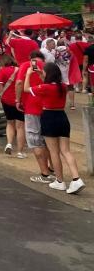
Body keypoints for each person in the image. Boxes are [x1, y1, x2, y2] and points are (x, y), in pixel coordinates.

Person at [25, 62, 84, 194]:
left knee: (54, 152)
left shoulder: (45, 87)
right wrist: (41, 74)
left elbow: (26, 88)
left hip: (49, 117)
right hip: (62, 117)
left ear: (48, 74)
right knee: (66, 151)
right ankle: (76, 178)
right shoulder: (62, 86)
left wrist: (29, 75)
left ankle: (60, 181)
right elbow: (49, 84)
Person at [17, 51, 55, 184]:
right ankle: (52, 168)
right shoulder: (48, 67)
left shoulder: (25, 65)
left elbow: (20, 83)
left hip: (31, 108)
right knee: (48, 141)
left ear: (30, 57)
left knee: (35, 141)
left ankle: (45, 174)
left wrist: (18, 100)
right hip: (48, 109)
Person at [0, 55, 25, 158]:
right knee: (20, 126)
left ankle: (9, 143)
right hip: (20, 100)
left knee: (9, 123)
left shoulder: (2, 71)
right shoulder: (21, 70)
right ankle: (20, 152)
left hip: (6, 100)